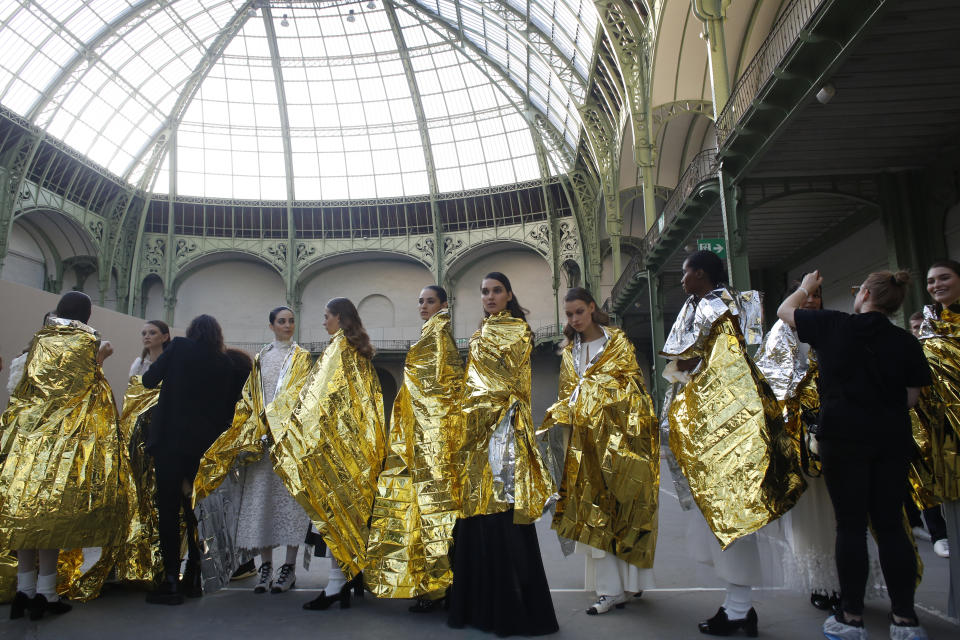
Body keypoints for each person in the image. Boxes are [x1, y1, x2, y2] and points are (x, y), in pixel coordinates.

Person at [779, 269, 931, 640]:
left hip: (843, 436)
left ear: (863, 294)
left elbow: (785, 312)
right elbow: (912, 397)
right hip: (891, 438)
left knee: (850, 526)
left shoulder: (834, 325)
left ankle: (851, 617)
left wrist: (805, 288)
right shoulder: (905, 342)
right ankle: (905, 619)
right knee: (892, 525)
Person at [660, 250, 804, 637]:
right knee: (727, 515)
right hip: (730, 418)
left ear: (701, 274)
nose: (681, 280)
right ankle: (737, 605)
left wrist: (684, 376)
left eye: (685, 273)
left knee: (732, 515)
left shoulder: (712, 308)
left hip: (726, 423)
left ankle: (739, 609)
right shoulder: (722, 307)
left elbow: (688, 361)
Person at [447, 272, 559, 636]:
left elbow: (504, 387)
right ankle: (483, 607)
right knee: (478, 518)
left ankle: (512, 611)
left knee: (501, 520)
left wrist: (471, 413)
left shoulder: (516, 331)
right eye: (485, 292)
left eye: (497, 290)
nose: (490, 296)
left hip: (502, 435)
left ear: (509, 295)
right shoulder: (482, 331)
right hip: (477, 439)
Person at [0, 292, 123, 620]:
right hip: (62, 443)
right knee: (50, 519)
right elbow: (89, 389)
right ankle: (46, 593)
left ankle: (23, 593)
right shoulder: (87, 340)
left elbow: (25, 389)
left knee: (24, 516)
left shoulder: (40, 339)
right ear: (87, 314)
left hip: (28, 438)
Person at [540, 287, 659, 616]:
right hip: (585, 445)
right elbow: (567, 395)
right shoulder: (569, 353)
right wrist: (557, 414)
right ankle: (609, 590)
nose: (574, 319)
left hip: (621, 441)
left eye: (579, 311)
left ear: (592, 308)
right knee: (595, 516)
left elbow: (634, 387)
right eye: (569, 314)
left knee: (627, 511)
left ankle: (631, 583)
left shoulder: (617, 342)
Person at [269, 298, 386, 611]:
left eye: (326, 317)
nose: (323, 322)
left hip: (336, 450)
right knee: (352, 515)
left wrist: (286, 426)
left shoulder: (338, 350)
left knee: (335, 515)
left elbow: (316, 401)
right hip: (358, 450)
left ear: (339, 318)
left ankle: (337, 585)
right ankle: (350, 579)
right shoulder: (356, 350)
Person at [194, 306, 313, 594]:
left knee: (292, 505)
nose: (287, 325)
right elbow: (251, 400)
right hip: (263, 444)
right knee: (262, 504)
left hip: (290, 442)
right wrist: (252, 434)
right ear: (271, 325)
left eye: (291, 321)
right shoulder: (262, 358)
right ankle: (266, 567)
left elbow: (307, 397)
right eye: (282, 321)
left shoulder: (303, 357)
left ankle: (289, 568)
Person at [365, 286, 464, 612]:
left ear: (444, 304)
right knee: (432, 514)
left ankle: (435, 589)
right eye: (420, 301)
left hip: (430, 442)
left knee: (432, 514)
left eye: (430, 301)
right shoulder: (436, 335)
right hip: (427, 439)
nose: (423, 306)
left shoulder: (436, 338)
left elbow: (439, 392)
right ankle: (434, 586)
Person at [141, 314, 242, 605]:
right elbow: (226, 409)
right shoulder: (224, 362)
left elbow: (149, 380)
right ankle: (195, 576)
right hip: (202, 447)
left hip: (170, 442)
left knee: (169, 511)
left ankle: (171, 579)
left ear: (191, 332)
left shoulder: (180, 347)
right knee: (196, 511)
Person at [915, 259, 960, 619]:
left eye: (944, 278)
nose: (935, 285)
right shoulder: (930, 325)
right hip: (943, 438)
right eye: (931, 281)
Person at [907, 309, 950, 559]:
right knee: (926, 480)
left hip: (945, 424)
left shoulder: (944, 350)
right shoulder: (911, 352)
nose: (919, 331)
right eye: (914, 327)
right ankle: (939, 534)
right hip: (919, 426)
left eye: (921, 326)